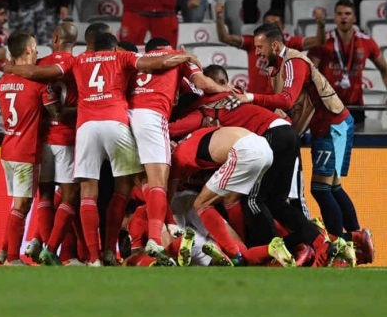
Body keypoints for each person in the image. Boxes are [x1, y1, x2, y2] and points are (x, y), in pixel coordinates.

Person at [2, 23, 197, 266]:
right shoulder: (122, 57)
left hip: (83, 130)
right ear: (113, 46)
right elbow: (158, 63)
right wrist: (185, 56)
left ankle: (91, 258)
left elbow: (37, 74)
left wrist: (11, 68)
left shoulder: (78, 61)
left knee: (84, 195)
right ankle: (123, 245)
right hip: (116, 124)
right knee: (129, 185)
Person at [170, 64, 351, 267]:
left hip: (268, 139)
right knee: (276, 203)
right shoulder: (234, 93)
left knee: (253, 202)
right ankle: (324, 243)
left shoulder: (204, 111)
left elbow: (170, 128)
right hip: (286, 132)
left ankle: (274, 253)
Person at [231, 23, 368, 249]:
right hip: (325, 127)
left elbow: (286, 100)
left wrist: (251, 97)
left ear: (274, 45)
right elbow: (275, 105)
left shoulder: (294, 62)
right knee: (332, 187)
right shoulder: (275, 68)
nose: (257, 53)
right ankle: (357, 238)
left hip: (332, 125)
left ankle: (341, 244)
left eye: (260, 47)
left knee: (322, 189)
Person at [126, 37, 231, 263]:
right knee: (159, 184)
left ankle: (165, 239)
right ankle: (228, 252)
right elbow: (203, 84)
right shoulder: (178, 60)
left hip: (124, 119)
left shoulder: (136, 59)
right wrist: (226, 89)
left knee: (136, 187)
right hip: (154, 121)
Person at [170, 126, 295, 267]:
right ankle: (287, 243)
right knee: (234, 200)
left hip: (243, 151)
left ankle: (234, 251)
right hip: (264, 148)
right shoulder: (195, 136)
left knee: (202, 203)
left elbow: (167, 196)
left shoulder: (177, 157)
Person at [0, 31, 59, 265]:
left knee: (17, 204)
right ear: (27, 51)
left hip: (9, 148)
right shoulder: (37, 82)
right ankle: (13, 258)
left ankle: (3, 250)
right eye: (35, 49)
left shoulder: (2, 82)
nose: (38, 53)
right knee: (22, 206)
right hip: (25, 151)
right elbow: (55, 112)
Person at [33, 23, 82, 266]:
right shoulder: (79, 64)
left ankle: (39, 242)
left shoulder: (40, 64)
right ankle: (50, 248)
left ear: (54, 38)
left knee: (44, 192)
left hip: (41, 138)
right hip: (68, 139)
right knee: (70, 194)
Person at [214, 4, 325, 94]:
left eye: (276, 24)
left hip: (281, 103)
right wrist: (219, 18)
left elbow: (318, 41)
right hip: (256, 101)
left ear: (282, 27)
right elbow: (224, 38)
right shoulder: (253, 42)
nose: (271, 28)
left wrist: (321, 25)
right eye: (268, 24)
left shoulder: (290, 42)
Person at [309, 0, 387, 128]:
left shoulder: (367, 42)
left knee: (357, 147)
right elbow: (309, 72)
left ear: (354, 18)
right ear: (335, 18)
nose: (343, 17)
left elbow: (384, 69)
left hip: (355, 107)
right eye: (339, 13)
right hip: (328, 106)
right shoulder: (323, 42)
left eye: (347, 13)